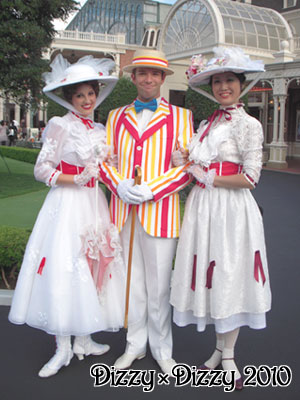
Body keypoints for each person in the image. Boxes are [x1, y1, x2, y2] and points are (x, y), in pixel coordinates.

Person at [9, 54, 125, 378]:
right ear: (69, 98)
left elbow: (107, 169)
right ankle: (62, 347)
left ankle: (84, 339)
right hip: (67, 204)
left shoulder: (101, 129)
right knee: (65, 267)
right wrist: (74, 179)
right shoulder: (60, 125)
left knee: (93, 266)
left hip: (93, 203)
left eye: (90, 94)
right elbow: (41, 169)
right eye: (79, 95)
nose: (86, 100)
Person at [170, 47, 272, 389]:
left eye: (229, 80)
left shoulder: (249, 124)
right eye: (217, 81)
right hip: (203, 208)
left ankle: (229, 355)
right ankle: (217, 349)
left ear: (241, 84)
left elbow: (251, 177)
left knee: (229, 274)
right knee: (211, 275)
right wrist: (186, 159)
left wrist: (210, 177)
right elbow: (195, 165)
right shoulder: (206, 123)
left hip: (231, 210)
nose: (223, 87)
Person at [100, 49, 193, 375]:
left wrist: (154, 188)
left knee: (159, 286)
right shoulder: (114, 116)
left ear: (164, 78)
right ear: (134, 77)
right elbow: (103, 162)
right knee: (132, 284)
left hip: (161, 212)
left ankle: (162, 348)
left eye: (155, 74)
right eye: (142, 73)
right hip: (124, 212)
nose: (149, 79)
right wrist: (120, 185)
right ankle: (135, 345)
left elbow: (187, 167)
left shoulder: (181, 117)